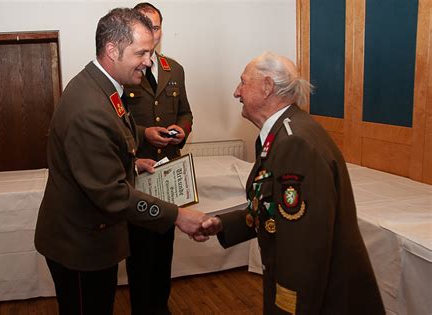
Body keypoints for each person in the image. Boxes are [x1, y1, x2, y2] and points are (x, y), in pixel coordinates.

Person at [34, 8, 207, 315]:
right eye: (141, 53)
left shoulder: (105, 88)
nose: (148, 61)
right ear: (112, 50)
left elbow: (113, 146)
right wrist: (176, 216)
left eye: (150, 52)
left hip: (94, 237)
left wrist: (133, 165)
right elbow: (112, 195)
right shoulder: (90, 107)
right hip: (80, 246)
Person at [201, 52, 385, 314]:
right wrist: (221, 224)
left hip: (323, 300)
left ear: (266, 87)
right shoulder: (284, 132)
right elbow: (273, 209)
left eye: (243, 82)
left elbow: (303, 246)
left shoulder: (294, 141)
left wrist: (287, 305)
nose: (236, 92)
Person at [123, 3, 193, 315]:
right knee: (140, 251)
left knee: (164, 248)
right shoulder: (124, 71)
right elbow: (114, 122)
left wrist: (182, 129)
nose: (153, 32)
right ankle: (142, 309)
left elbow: (186, 112)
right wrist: (143, 134)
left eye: (157, 26)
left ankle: (160, 307)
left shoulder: (173, 69)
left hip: (169, 172)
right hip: (138, 172)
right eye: (146, 26)